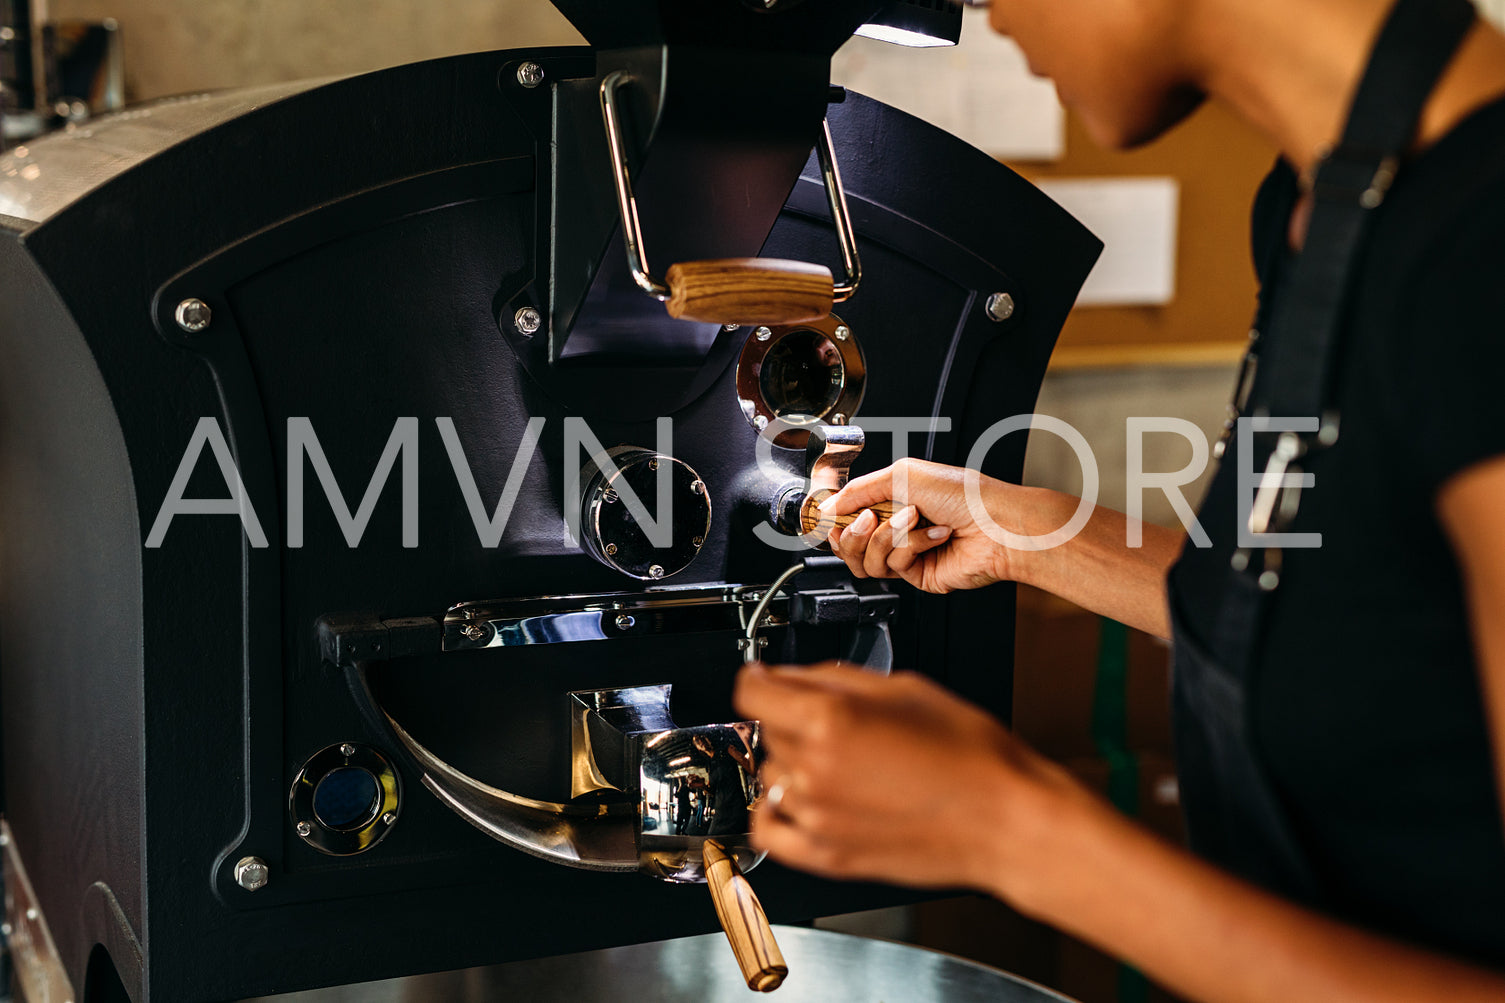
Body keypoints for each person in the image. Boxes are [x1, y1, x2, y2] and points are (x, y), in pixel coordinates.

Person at [733, 0, 1505, 999]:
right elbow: (1338, 619)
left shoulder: (1478, 252)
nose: (983, 12)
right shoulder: (1318, 206)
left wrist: (1008, 827)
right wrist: (1018, 527)